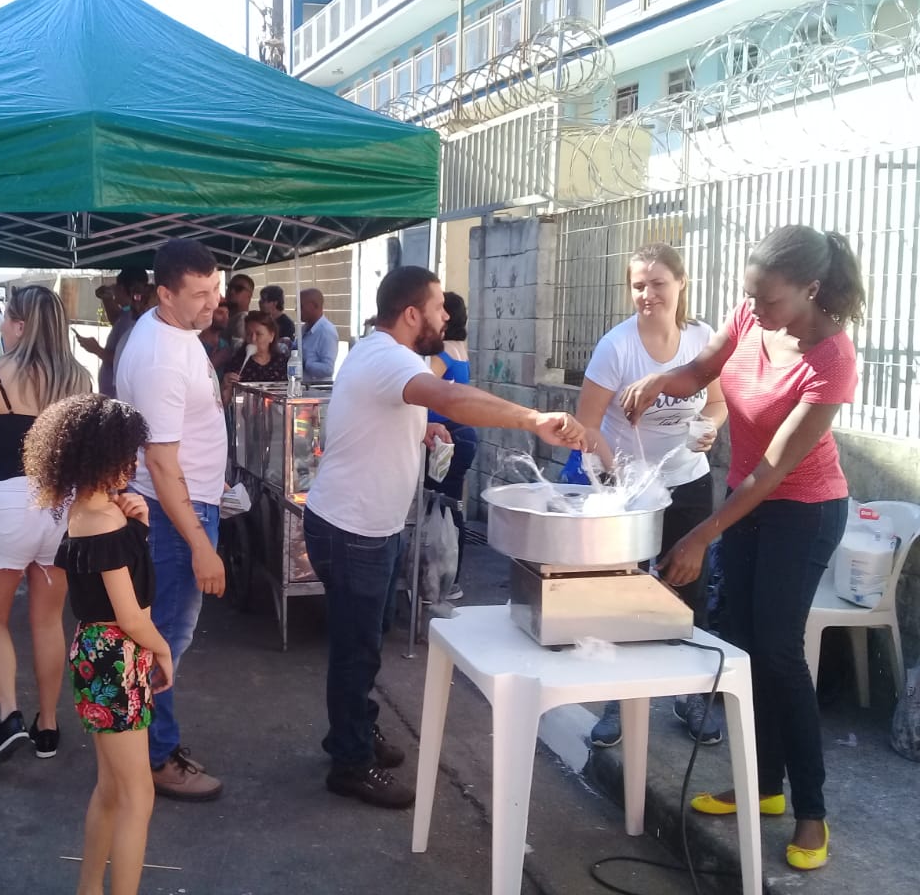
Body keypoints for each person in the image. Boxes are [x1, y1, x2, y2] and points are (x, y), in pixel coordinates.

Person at [622, 226, 863, 871]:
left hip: (803, 512)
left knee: (779, 651)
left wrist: (704, 533)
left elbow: (775, 469)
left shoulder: (832, 357)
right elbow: (704, 370)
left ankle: (810, 809)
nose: (757, 310)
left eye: (771, 300)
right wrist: (660, 381)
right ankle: (762, 788)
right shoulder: (749, 317)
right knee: (741, 647)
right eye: (750, 296)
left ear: (810, 290)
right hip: (746, 504)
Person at [303, 266, 585, 809]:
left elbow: (392, 413)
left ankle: (353, 732)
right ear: (411, 314)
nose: (446, 315)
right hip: (352, 530)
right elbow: (452, 400)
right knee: (356, 649)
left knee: (367, 638)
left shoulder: (376, 352)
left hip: (364, 526)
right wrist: (531, 417)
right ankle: (350, 762)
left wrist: (420, 428)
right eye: (438, 306)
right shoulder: (392, 358)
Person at [579, 244, 729, 750]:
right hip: (632, 488)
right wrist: (621, 479)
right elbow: (587, 426)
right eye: (639, 284)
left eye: (658, 282)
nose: (647, 294)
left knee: (687, 591)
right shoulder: (616, 347)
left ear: (681, 284)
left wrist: (708, 427)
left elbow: (718, 402)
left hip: (688, 481)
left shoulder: (702, 340)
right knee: (626, 593)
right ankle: (619, 702)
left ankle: (692, 697)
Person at [24, 395, 173, 895]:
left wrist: (140, 525)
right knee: (137, 796)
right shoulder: (106, 520)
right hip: (117, 658)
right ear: (100, 455)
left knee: (111, 789)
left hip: (94, 653)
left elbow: (125, 579)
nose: (132, 464)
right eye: (125, 455)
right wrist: (164, 649)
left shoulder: (86, 516)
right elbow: (130, 614)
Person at [0, 285, 93, 765]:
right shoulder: (80, 379)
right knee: (49, 620)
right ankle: (47, 725)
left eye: (8, 318)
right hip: (60, 510)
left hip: (5, 505)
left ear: (22, 325)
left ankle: (9, 714)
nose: (4, 325)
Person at [116, 239, 227, 801]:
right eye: (200, 294)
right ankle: (154, 758)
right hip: (172, 512)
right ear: (165, 294)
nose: (214, 303)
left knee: (163, 636)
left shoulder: (175, 333)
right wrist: (201, 544)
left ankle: (146, 748)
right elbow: (161, 464)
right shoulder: (160, 354)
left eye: (216, 288)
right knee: (164, 639)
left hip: (187, 504)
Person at [421, 292, 478, 602]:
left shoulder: (442, 352)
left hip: (446, 438)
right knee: (451, 506)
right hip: (461, 435)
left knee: (439, 506)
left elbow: (422, 387)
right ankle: (450, 579)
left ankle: (441, 578)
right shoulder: (459, 348)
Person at [75, 268, 150, 398]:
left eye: (116, 287)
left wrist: (97, 349)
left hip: (117, 396)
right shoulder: (128, 313)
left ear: (121, 288)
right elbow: (116, 319)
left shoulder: (133, 320)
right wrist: (107, 299)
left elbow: (123, 358)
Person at [222, 311, 288, 397]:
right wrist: (225, 386)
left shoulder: (282, 362)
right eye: (249, 334)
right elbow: (226, 401)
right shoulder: (236, 363)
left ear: (271, 336)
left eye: (258, 334)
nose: (253, 339)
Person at [299, 288, 338, 380]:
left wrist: (305, 364)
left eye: (300, 306)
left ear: (313, 306)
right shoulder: (304, 328)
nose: (297, 309)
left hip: (316, 390)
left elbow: (328, 369)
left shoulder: (326, 332)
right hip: (302, 388)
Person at [198, 301, 234, 378]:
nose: (226, 317)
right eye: (220, 313)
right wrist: (217, 359)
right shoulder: (196, 343)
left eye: (227, 313)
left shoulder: (225, 345)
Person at [224, 273, 254, 344]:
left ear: (249, 296)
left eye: (239, 289)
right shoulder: (224, 318)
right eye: (229, 287)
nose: (231, 291)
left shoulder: (242, 320)